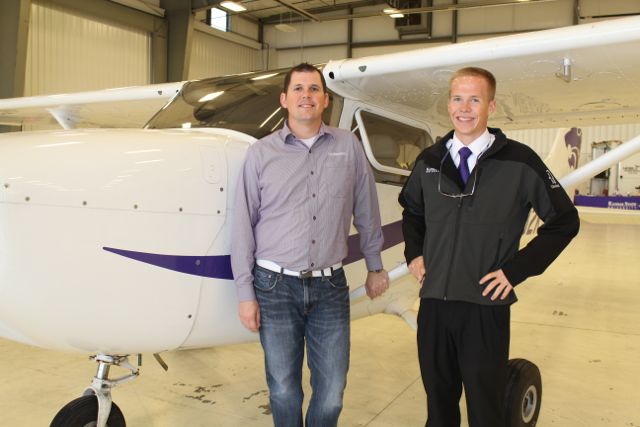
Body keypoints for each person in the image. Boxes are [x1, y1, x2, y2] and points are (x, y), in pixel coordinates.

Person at [399, 67, 580, 427]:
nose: (464, 108)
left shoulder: (520, 161)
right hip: (434, 304)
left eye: (475, 99)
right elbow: (413, 211)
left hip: (484, 308)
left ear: (491, 106)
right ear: (448, 103)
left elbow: (564, 222)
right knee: (438, 406)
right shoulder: (430, 160)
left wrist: (515, 271)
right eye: (457, 98)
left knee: (485, 410)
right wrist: (414, 253)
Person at [231, 62, 390, 427]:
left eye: (314, 89)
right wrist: (245, 293)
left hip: (330, 285)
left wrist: (375, 265)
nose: (307, 96)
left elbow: (366, 207)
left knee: (331, 392)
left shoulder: (348, 146)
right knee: (284, 389)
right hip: (274, 286)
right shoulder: (261, 153)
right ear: (285, 99)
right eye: (299, 89)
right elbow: (243, 224)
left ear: (325, 100)